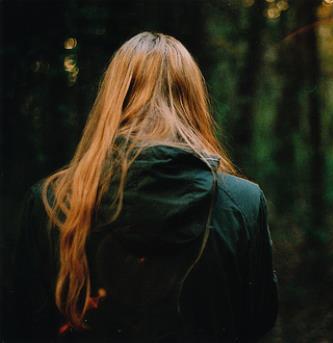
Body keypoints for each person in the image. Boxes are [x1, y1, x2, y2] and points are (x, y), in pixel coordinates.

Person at [8, 32, 278, 342]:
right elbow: (258, 321)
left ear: (111, 99)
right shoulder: (242, 203)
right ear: (193, 100)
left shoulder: (51, 203)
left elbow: (24, 326)